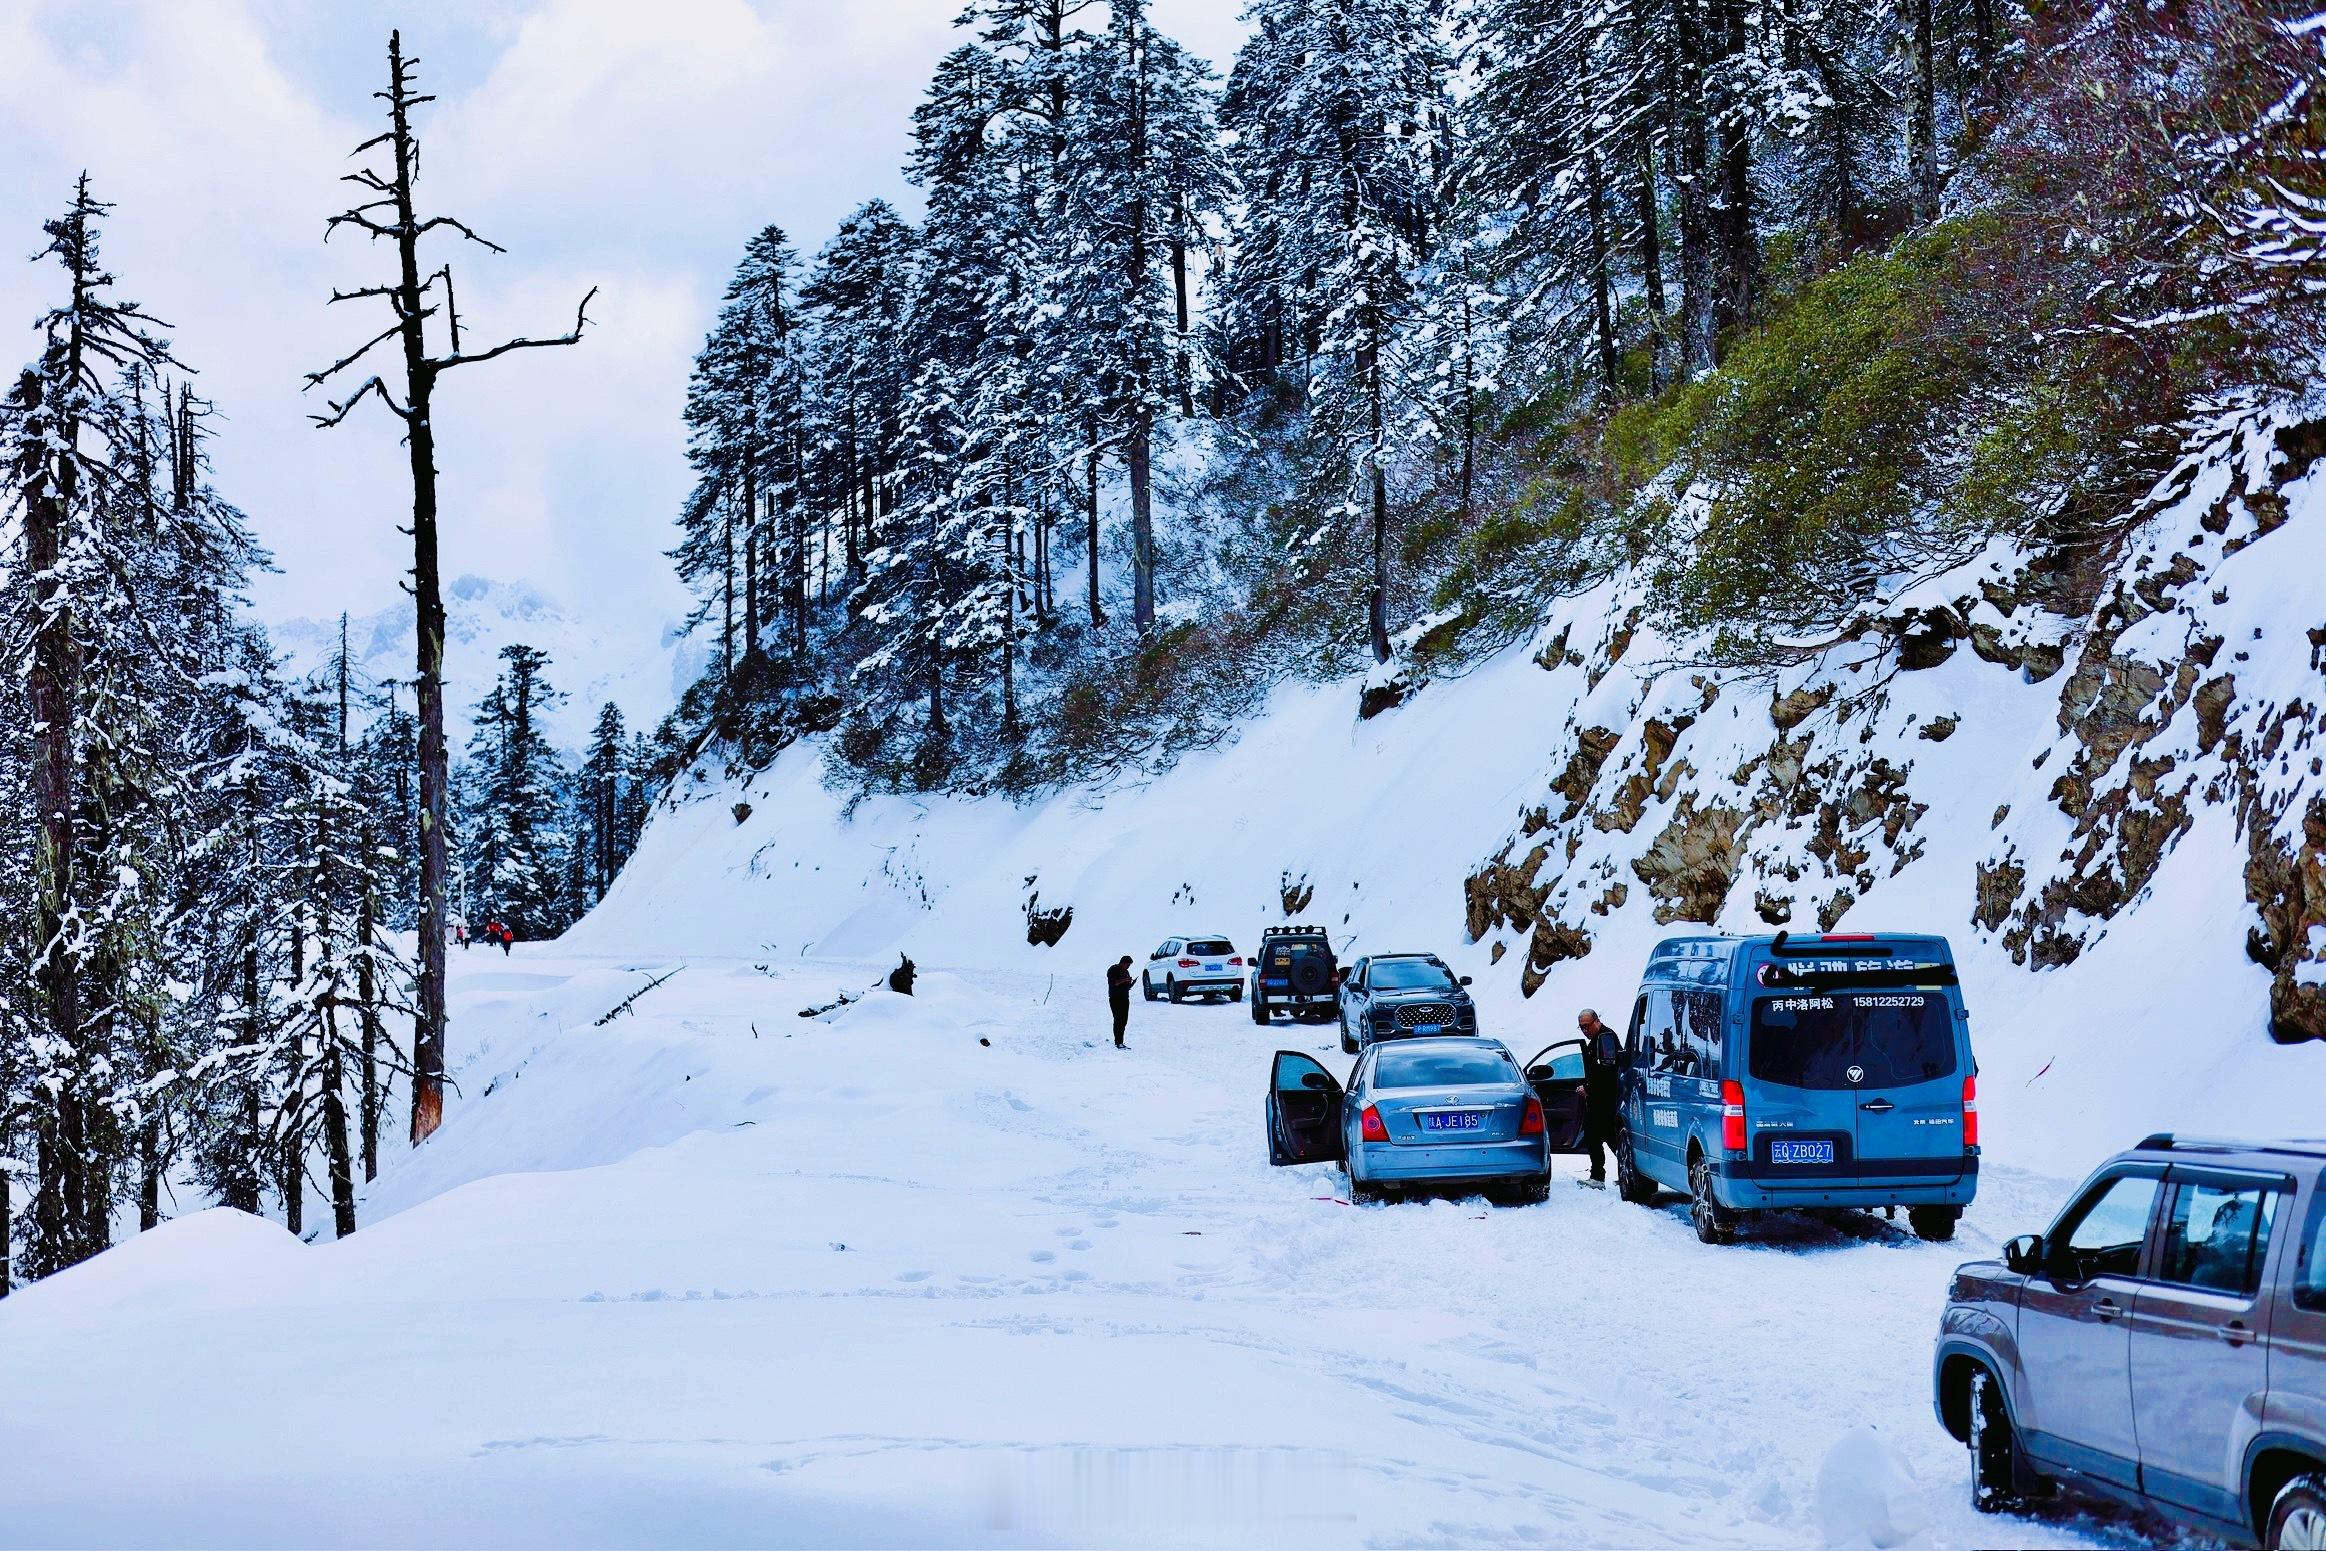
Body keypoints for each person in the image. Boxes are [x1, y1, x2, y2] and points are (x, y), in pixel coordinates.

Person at [1578, 1007, 1625, 1184]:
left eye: (1587, 1026)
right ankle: (1627, 1172)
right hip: (1603, 1098)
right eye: (1581, 1027)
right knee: (1607, 1136)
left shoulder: (1605, 1039)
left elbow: (1607, 1072)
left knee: (1596, 1135)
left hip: (1604, 1099)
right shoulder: (1599, 1039)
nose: (1584, 1030)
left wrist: (1588, 1090)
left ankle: (1598, 1176)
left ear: (1597, 1021)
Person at [1106, 955, 1135, 1048]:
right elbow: (1113, 983)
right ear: (1122, 963)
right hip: (1115, 999)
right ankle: (1118, 1042)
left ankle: (1121, 1041)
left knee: (1124, 1020)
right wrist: (1125, 980)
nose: (1128, 967)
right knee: (1118, 1019)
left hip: (1125, 998)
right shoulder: (1113, 970)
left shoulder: (1126, 971)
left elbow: (1126, 985)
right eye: (1127, 965)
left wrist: (1129, 983)